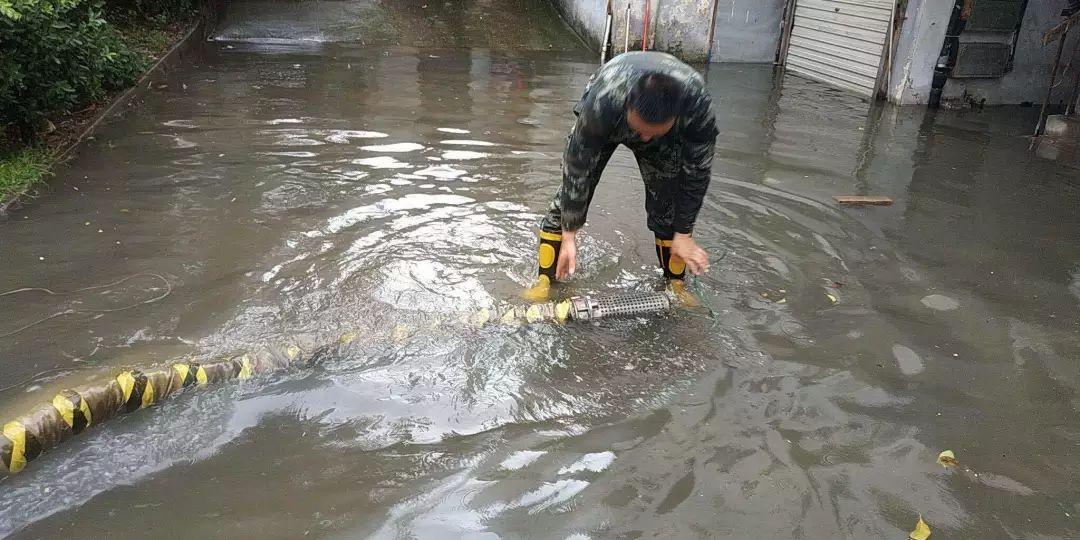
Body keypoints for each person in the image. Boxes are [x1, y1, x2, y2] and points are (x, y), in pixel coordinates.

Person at [528, 51, 718, 300]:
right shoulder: (603, 102)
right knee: (565, 203)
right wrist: (569, 235)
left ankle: (675, 287)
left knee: (669, 209)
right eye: (640, 130)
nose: (644, 139)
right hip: (609, 119)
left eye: (652, 133)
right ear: (627, 106)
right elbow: (577, 169)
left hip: (666, 138)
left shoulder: (698, 108)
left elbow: (697, 173)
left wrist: (684, 233)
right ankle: (544, 283)